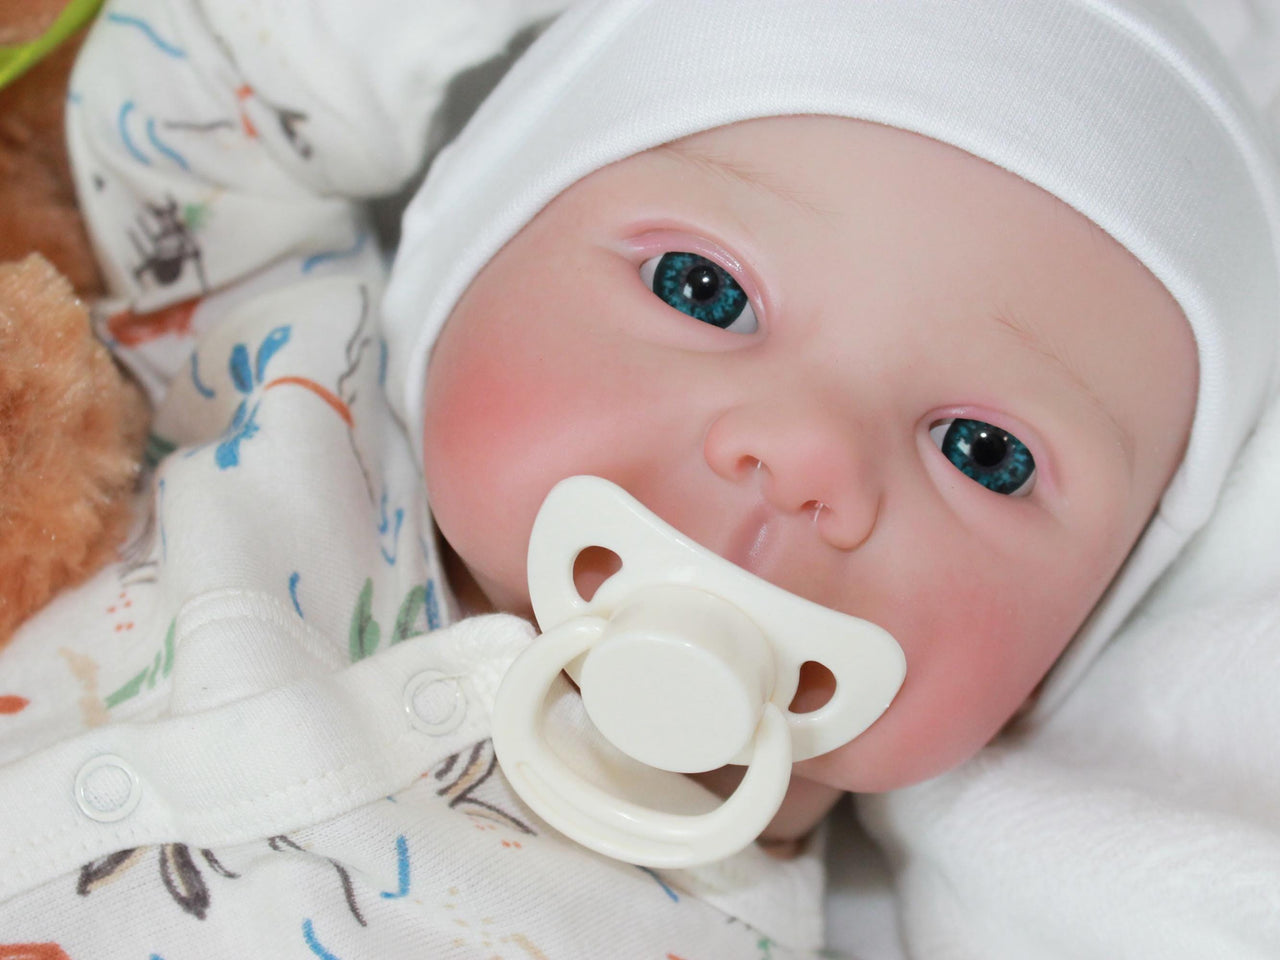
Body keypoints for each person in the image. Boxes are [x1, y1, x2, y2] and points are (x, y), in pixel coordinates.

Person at [0, 0, 1275, 956]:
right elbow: (213, 72)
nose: (807, 456)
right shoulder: (272, 361)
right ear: (468, 249)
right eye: (702, 291)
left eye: (983, 452)